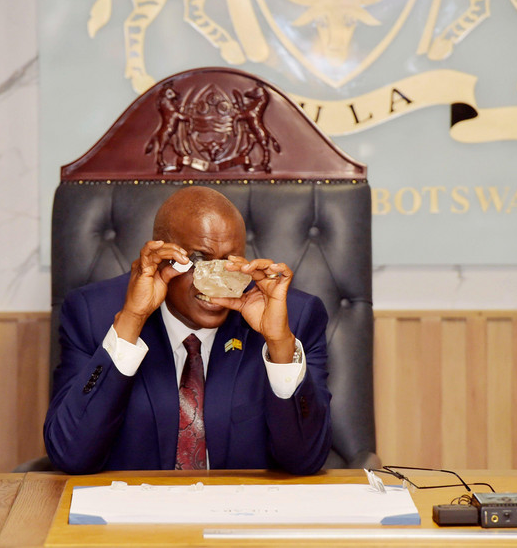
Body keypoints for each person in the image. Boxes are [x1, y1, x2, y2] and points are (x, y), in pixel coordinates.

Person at [44, 186, 331, 474]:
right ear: (162, 257)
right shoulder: (92, 313)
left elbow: (304, 462)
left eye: (229, 263)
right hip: (137, 513)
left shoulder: (291, 317)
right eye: (199, 260)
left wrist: (279, 344)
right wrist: (132, 320)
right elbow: (71, 454)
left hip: (243, 512)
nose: (215, 280)